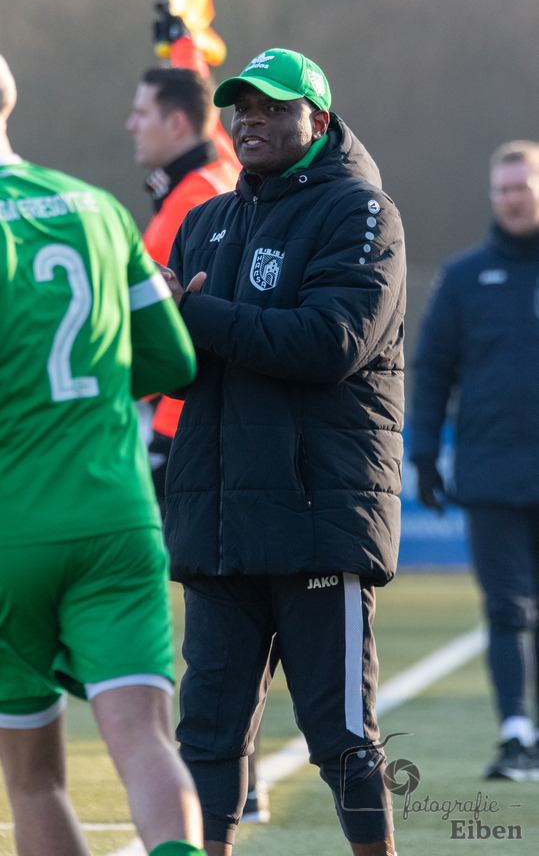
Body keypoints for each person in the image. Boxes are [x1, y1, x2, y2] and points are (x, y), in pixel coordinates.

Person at [0, 37, 207, 856]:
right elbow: (174, 363)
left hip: (2, 532)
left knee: (35, 781)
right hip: (115, 522)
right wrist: (74, 396)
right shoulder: (97, 208)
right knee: (145, 742)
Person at [160, 48, 406, 856]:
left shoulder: (360, 212)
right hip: (218, 522)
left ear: (317, 120)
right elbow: (173, 363)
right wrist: (142, 335)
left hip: (314, 519)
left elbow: (329, 343)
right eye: (242, 108)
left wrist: (196, 318)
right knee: (205, 737)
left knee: (341, 737)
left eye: (272, 107)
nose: (250, 121)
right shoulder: (204, 222)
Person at [127, 13, 269, 823]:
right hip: (174, 423)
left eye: (141, 112)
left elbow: (161, 318)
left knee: (219, 599)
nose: (130, 125)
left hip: (195, 428)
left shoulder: (201, 192)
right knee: (209, 597)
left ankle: (227, 771)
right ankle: (229, 770)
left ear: (179, 122)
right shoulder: (186, 188)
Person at [409, 140, 539, 782]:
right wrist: (424, 453)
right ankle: (517, 734)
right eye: (503, 189)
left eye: (523, 186)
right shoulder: (464, 277)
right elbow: (433, 368)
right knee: (506, 609)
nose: (513, 199)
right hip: (490, 473)